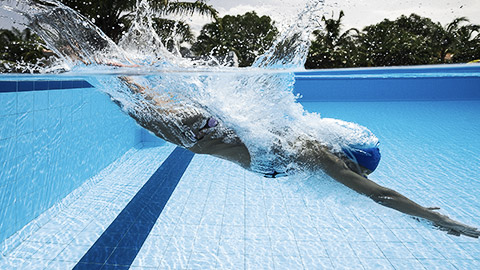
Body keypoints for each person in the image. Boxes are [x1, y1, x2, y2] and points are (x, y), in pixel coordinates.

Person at [111, 75, 480, 238]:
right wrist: (444, 220)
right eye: (360, 172)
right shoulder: (325, 158)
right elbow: (382, 195)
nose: (359, 179)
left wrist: (428, 221)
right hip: (200, 131)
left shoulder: (308, 151)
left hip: (204, 126)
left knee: (133, 97)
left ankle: (115, 68)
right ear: (351, 161)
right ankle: (97, 65)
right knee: (125, 101)